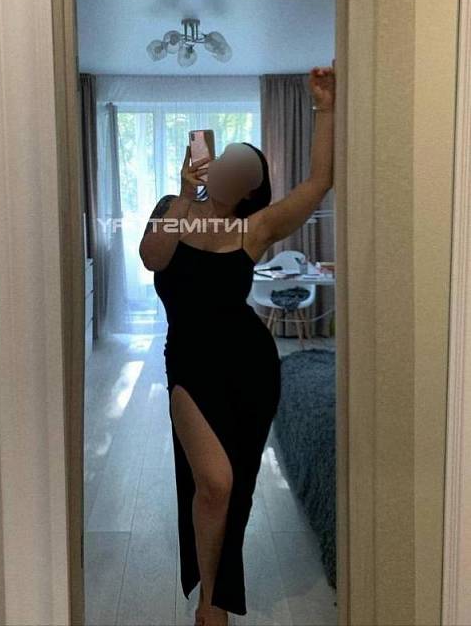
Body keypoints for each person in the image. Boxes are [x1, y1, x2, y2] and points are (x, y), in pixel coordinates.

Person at [139, 63, 335, 626]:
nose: (230, 169)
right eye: (225, 159)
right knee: (214, 482)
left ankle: (213, 604)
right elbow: (153, 258)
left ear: (251, 188)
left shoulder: (254, 229)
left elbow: (318, 183)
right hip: (189, 362)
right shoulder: (172, 209)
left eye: (244, 169)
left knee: (236, 487)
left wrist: (324, 107)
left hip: (251, 365)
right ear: (210, 167)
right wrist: (184, 193)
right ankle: (212, 594)